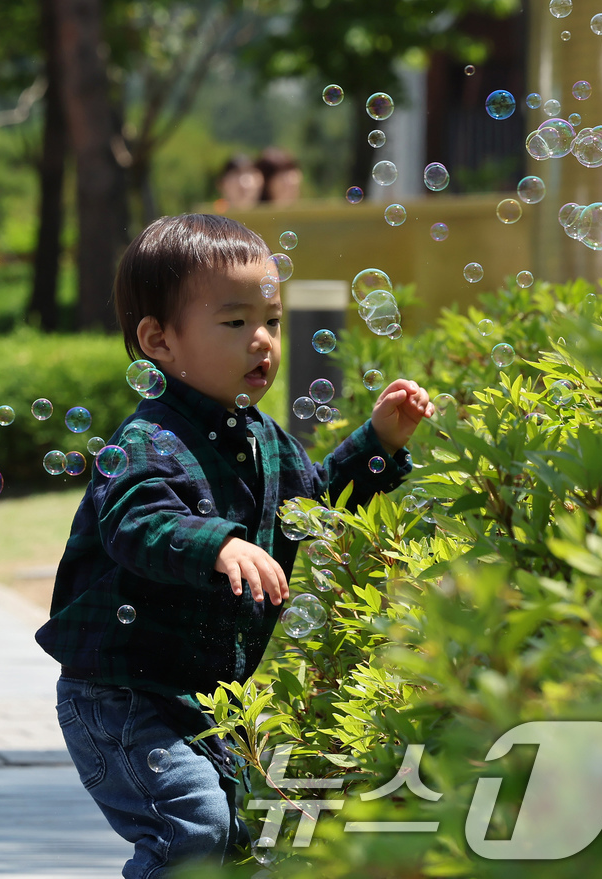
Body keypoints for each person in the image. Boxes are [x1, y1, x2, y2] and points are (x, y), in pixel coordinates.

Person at [35, 214, 434, 877]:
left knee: (239, 836)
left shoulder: (265, 439)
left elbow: (315, 505)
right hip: (120, 694)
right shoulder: (147, 441)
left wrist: (378, 444)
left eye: (271, 320)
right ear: (159, 340)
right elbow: (136, 521)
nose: (262, 340)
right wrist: (217, 544)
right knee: (195, 827)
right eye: (235, 321)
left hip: (200, 698)